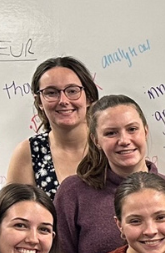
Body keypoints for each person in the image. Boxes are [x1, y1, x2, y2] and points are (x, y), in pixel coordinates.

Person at [54, 94, 165, 253]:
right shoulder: (73, 193)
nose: (124, 140)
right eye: (111, 133)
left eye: (132, 129)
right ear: (96, 140)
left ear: (145, 131)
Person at [6, 56, 99, 197]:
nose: (63, 101)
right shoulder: (28, 153)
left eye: (72, 91)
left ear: (89, 97)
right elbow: (13, 213)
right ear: (39, 102)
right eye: (51, 93)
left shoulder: (108, 145)